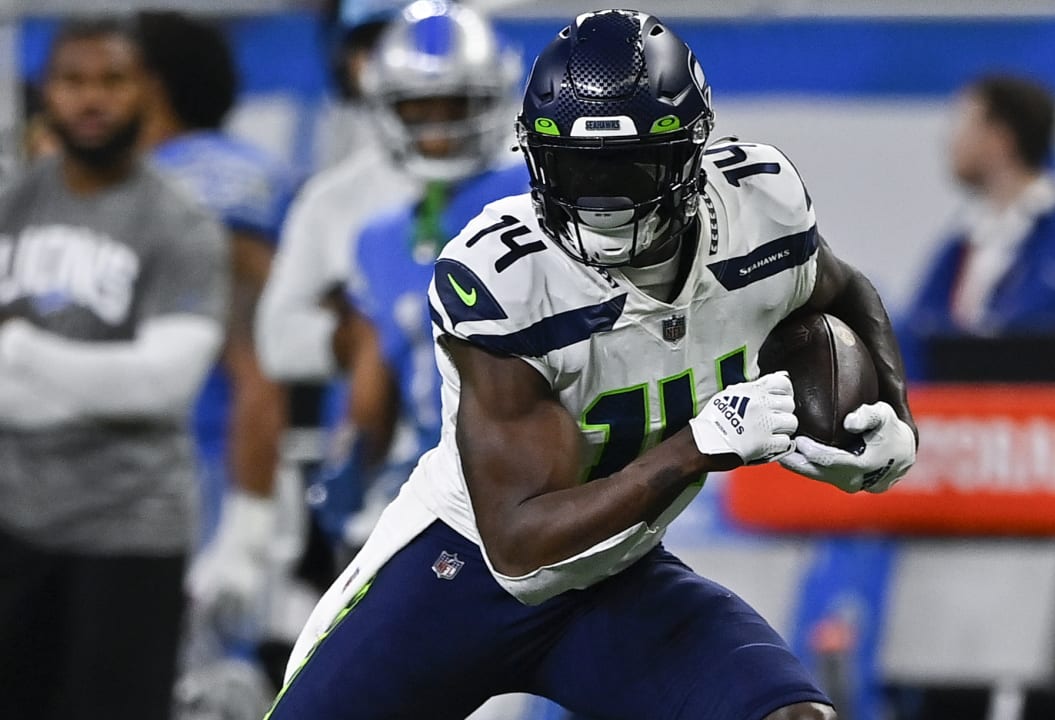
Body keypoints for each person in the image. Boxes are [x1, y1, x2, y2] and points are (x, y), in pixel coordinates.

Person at [270, 10, 918, 720]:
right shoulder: (509, 279)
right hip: (457, 575)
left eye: (628, 166)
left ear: (689, 154)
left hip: (618, 570)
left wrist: (892, 416)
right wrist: (695, 447)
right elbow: (519, 548)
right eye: (576, 168)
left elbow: (839, 287)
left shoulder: (758, 212)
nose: (600, 201)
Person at [0, 17, 228, 720]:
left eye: (112, 80)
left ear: (145, 93)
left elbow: (163, 384)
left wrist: (22, 359)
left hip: (129, 536)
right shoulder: (14, 206)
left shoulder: (180, 220)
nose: (91, 99)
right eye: (73, 81)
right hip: (13, 526)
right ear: (46, 92)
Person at [312, 1, 527, 551]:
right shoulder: (379, 237)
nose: (437, 129)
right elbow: (372, 382)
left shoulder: (536, 199)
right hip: (427, 489)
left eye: (452, 105)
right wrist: (348, 478)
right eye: (418, 109)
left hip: (537, 478)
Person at [137, 10, 295, 648]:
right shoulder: (254, 169)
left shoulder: (187, 185)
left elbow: (257, 360)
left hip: (201, 472)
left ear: (149, 85)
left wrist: (245, 525)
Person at [902, 74, 1055, 374]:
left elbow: (1026, 350)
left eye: (964, 124)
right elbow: (916, 332)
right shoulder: (964, 238)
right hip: (949, 410)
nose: (950, 141)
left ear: (1000, 137)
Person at [254, 0, 418, 384]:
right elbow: (276, 340)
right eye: (373, 48)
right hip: (379, 436)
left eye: (414, 44)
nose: (394, 64)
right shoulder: (329, 199)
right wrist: (362, 336)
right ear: (348, 64)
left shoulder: (528, 181)